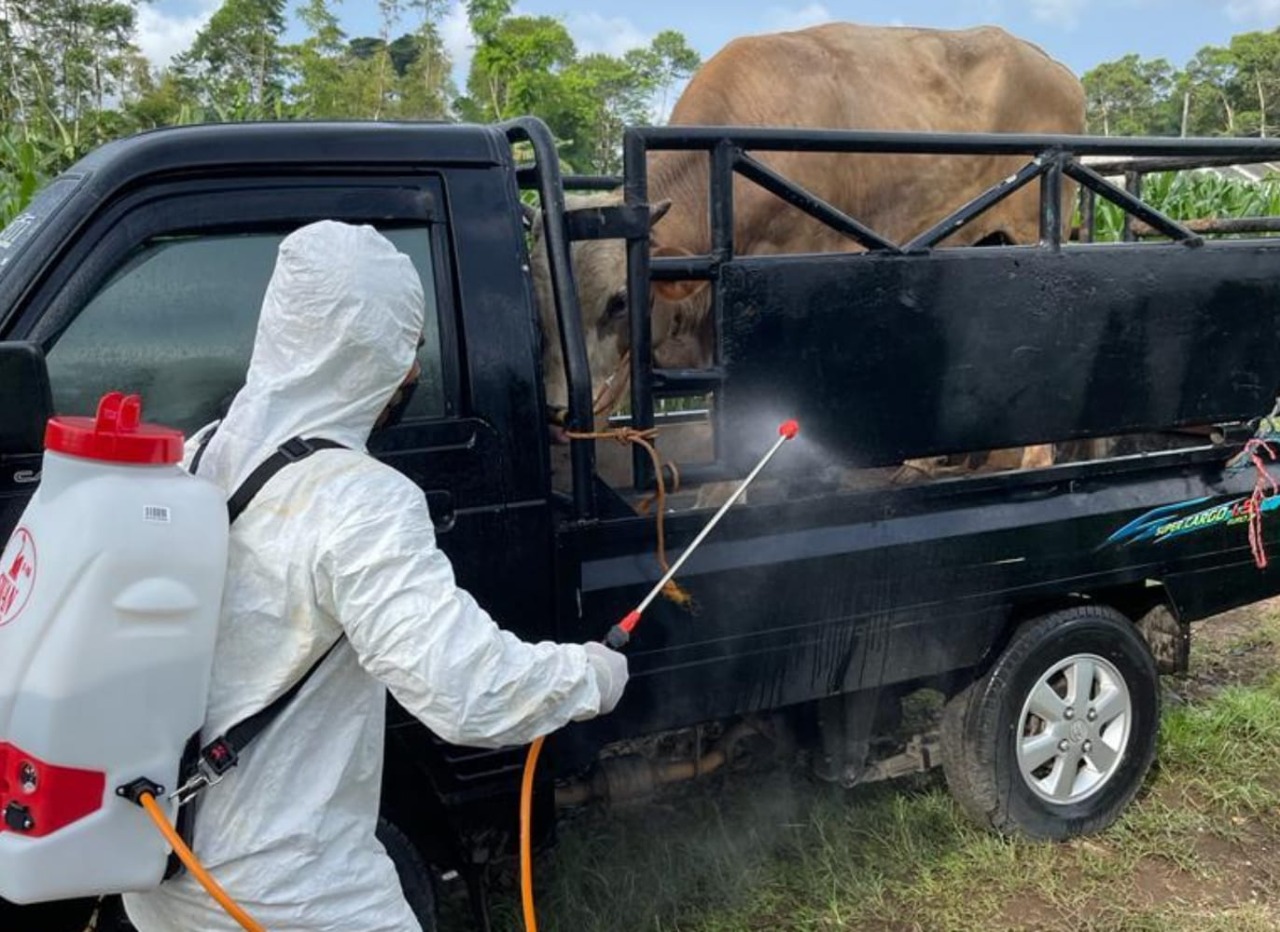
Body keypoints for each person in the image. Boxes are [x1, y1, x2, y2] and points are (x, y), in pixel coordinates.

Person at [122, 220, 628, 932]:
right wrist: (591, 677)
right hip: (294, 894)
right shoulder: (357, 499)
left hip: (164, 875)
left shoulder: (200, 454)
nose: (414, 371)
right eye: (408, 345)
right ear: (373, 352)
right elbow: (468, 691)